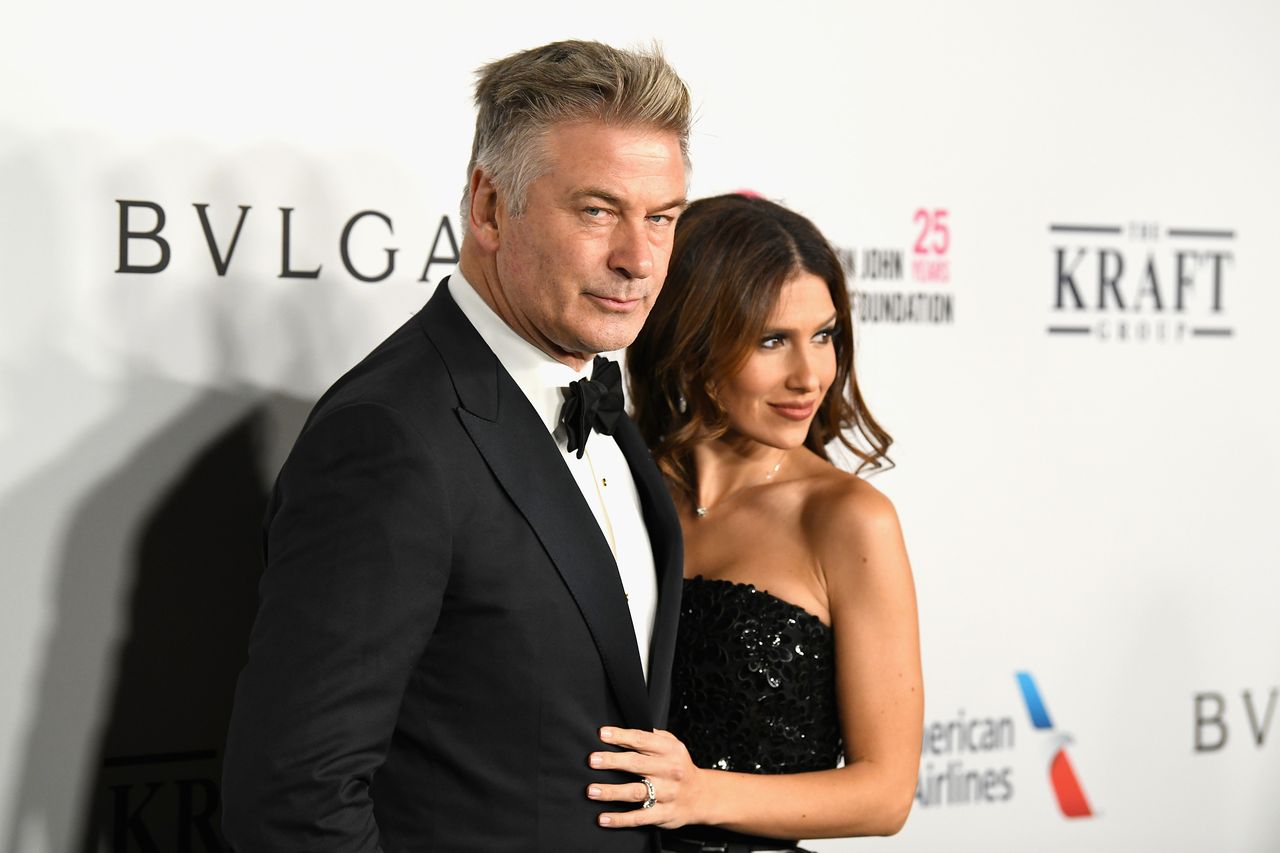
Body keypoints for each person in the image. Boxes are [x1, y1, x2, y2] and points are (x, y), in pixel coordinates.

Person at [221, 41, 691, 852]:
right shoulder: (391, 436)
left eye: (662, 217)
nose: (638, 259)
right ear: (487, 206)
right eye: (597, 210)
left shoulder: (603, 400)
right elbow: (297, 799)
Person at [585, 195, 924, 851]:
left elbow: (886, 792)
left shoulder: (847, 519)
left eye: (823, 335)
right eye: (772, 340)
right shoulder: (614, 480)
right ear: (693, 341)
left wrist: (699, 791)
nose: (810, 375)